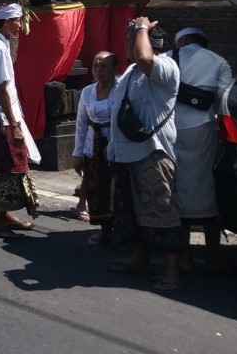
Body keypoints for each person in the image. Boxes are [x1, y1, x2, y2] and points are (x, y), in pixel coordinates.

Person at [107, 20, 183, 295]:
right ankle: (140, 260)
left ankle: (171, 271)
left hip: (153, 154)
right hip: (126, 154)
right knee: (134, 213)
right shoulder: (130, 72)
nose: (127, 46)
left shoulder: (165, 67)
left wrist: (140, 27)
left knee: (163, 213)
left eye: (131, 39)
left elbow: (144, 56)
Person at [170, 26, 233, 271]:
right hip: (203, 130)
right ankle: (212, 255)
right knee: (205, 188)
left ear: (182, 40)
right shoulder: (219, 61)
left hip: (172, 130)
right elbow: (226, 100)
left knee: (178, 191)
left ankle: (183, 255)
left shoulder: (167, 59)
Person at [0, 3, 39, 238]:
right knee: (3, 170)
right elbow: (1, 89)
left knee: (6, 167)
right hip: (0, 119)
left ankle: (3, 215)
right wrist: (13, 124)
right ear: (7, 22)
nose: (20, 25)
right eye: (17, 21)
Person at [72, 51, 119, 245]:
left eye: (103, 66)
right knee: (97, 188)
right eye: (95, 65)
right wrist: (77, 152)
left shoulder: (122, 89)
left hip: (116, 146)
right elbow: (81, 123)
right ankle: (105, 230)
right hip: (94, 145)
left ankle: (122, 230)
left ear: (115, 69)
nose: (98, 70)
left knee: (116, 189)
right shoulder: (88, 92)